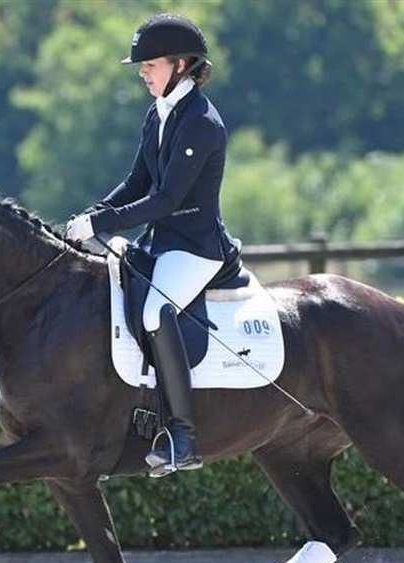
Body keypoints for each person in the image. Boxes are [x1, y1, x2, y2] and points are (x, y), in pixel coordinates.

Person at [66, 13, 242, 478]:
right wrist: (90, 214)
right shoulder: (159, 113)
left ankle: (183, 436)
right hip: (160, 243)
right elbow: (136, 182)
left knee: (154, 313)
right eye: (142, 66)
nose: (142, 73)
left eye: (150, 65)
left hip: (196, 249)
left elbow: (166, 200)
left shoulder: (201, 122)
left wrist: (101, 222)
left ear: (181, 65)